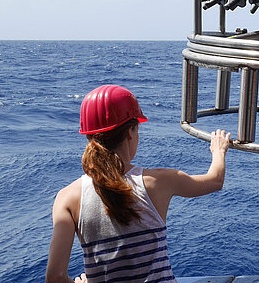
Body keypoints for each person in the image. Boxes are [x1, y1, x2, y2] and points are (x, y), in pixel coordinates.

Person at [46, 84, 231, 283]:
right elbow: (215, 181)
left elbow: (55, 277)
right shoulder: (159, 182)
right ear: (131, 132)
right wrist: (218, 151)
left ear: (89, 136)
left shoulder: (67, 198)